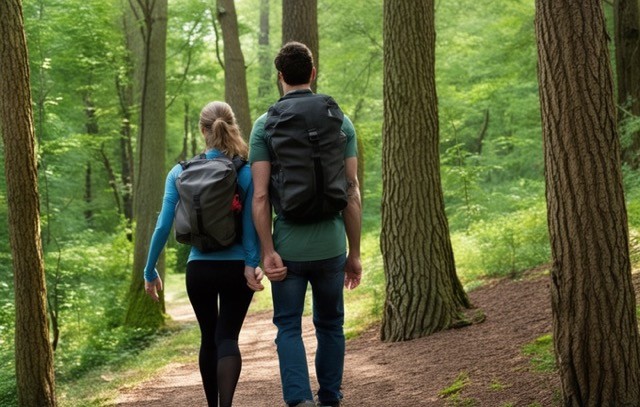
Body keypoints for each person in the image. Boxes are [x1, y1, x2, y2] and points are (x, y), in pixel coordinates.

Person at [249, 42, 363, 407]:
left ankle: (299, 401)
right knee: (331, 325)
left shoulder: (264, 125)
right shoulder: (340, 120)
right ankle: (330, 398)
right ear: (313, 73)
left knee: (288, 327)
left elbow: (262, 196)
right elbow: (352, 190)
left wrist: (268, 252)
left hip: (288, 251)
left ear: (279, 77)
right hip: (332, 246)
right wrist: (355, 253)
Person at [143, 101, 264, 407]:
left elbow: (162, 226)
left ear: (202, 130)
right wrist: (252, 263)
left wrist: (149, 271)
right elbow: (250, 227)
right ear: (232, 125)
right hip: (236, 269)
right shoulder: (246, 171)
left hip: (199, 270)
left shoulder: (180, 172)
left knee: (208, 338)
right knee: (227, 339)